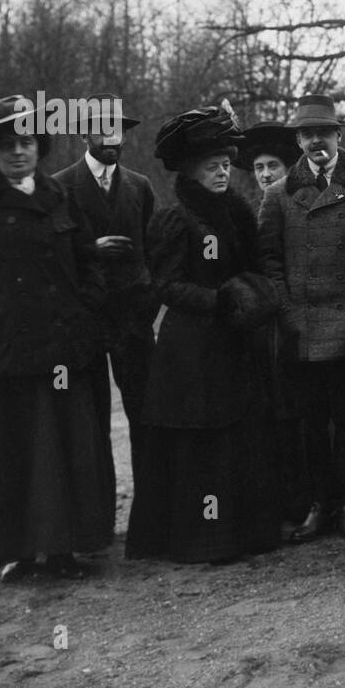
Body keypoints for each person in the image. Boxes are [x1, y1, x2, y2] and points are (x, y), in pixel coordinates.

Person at [0, 95, 113, 582]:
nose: (17, 153)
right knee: (13, 449)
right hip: (4, 348)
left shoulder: (60, 196)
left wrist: (86, 307)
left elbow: (88, 259)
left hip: (62, 349)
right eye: (7, 145)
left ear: (40, 147)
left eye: (26, 142)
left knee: (63, 448)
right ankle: (18, 553)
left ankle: (63, 552)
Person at [126, 104, 282, 563]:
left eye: (224, 166)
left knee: (240, 436)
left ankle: (246, 534)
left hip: (235, 344)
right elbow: (167, 286)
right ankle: (201, 540)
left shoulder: (235, 213)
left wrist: (255, 293)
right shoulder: (177, 219)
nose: (221, 173)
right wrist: (219, 300)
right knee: (203, 443)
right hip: (192, 350)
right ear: (192, 171)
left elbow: (249, 267)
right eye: (211, 166)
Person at [259, 94, 345, 542]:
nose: (317, 141)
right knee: (311, 418)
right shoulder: (278, 195)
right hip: (302, 329)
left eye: (324, 133)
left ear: (338, 135)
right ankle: (317, 506)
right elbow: (269, 261)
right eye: (308, 134)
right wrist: (287, 310)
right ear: (298, 140)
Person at [52, 94, 156, 517]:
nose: (112, 138)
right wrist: (89, 250)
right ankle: (94, 519)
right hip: (86, 321)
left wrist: (149, 300)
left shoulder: (139, 186)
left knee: (146, 416)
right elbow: (51, 256)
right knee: (89, 422)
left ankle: (152, 514)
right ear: (83, 134)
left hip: (134, 318)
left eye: (118, 131)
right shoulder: (59, 186)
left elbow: (153, 249)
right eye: (102, 129)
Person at [239, 120, 308, 525]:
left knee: (299, 407)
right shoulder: (249, 212)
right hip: (261, 327)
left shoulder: (297, 206)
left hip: (295, 319)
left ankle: (306, 496)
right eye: (259, 168)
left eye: (273, 167)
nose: (266, 174)